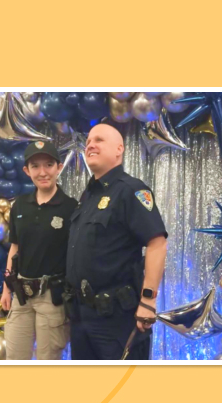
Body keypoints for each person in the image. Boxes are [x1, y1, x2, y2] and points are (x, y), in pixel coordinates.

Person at [65, 124, 168, 360]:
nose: (90, 144)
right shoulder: (88, 195)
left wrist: (148, 301)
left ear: (119, 149)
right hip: (81, 316)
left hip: (115, 318)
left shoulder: (131, 190)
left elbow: (157, 243)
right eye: (89, 141)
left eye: (99, 140)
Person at [0, 140, 78, 359]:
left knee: (48, 362)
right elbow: (15, 247)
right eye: (35, 166)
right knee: (15, 359)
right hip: (21, 295)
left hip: (52, 298)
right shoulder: (20, 205)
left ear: (59, 167)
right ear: (27, 171)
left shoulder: (71, 207)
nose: (42, 172)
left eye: (49, 165)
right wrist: (6, 289)